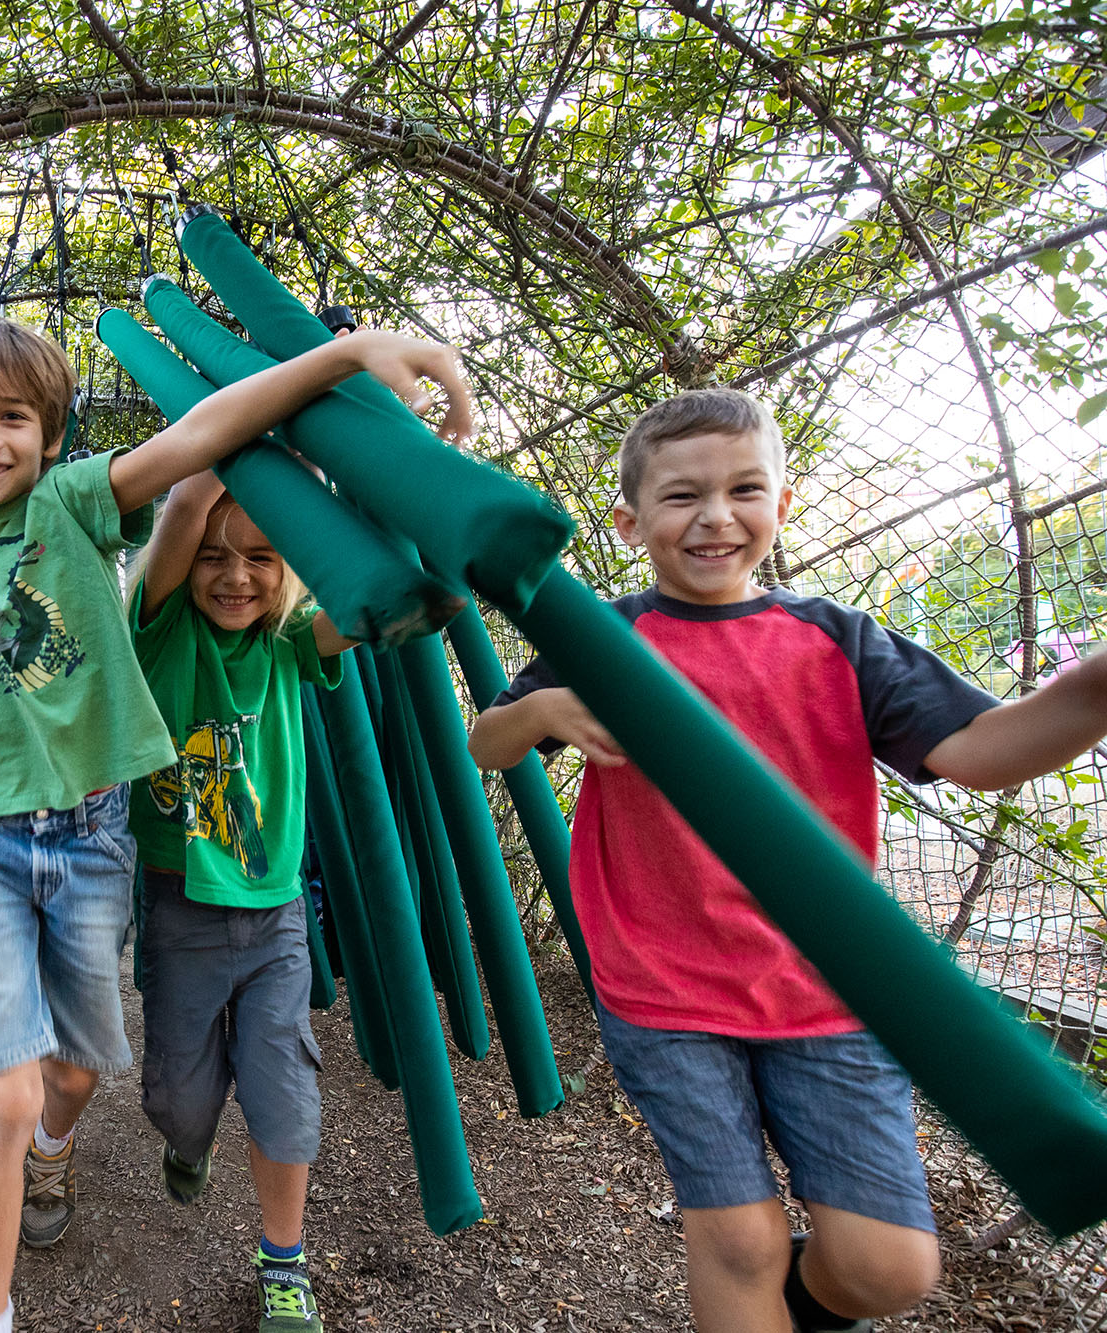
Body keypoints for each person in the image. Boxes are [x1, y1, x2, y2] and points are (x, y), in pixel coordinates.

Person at [0, 310, 470, 1333]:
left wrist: (339, 357)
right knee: (6, 1098)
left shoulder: (76, 505)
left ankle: (53, 1157)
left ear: (52, 435)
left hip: (91, 841)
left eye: (11, 417)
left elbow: (201, 441)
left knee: (72, 1072)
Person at [465, 387, 1107, 1333]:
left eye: (744, 490)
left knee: (890, 1269)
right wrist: (541, 711)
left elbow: (979, 753)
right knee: (740, 1241)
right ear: (630, 519)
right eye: (683, 497)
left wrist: (1090, 688)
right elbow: (486, 741)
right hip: (664, 982)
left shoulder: (841, 642)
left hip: (826, 989)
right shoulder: (605, 639)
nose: (716, 516)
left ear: (782, 503)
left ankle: (794, 1307)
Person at [127, 475, 377, 1333]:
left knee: (285, 1092)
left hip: (274, 917)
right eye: (213, 557)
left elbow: (376, 599)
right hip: (179, 910)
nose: (236, 575)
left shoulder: (289, 648)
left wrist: (381, 471)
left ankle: (283, 1262)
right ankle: (186, 1145)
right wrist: (240, 444)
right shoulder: (159, 634)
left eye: (262, 557)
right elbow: (183, 507)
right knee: (182, 1104)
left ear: (290, 569)